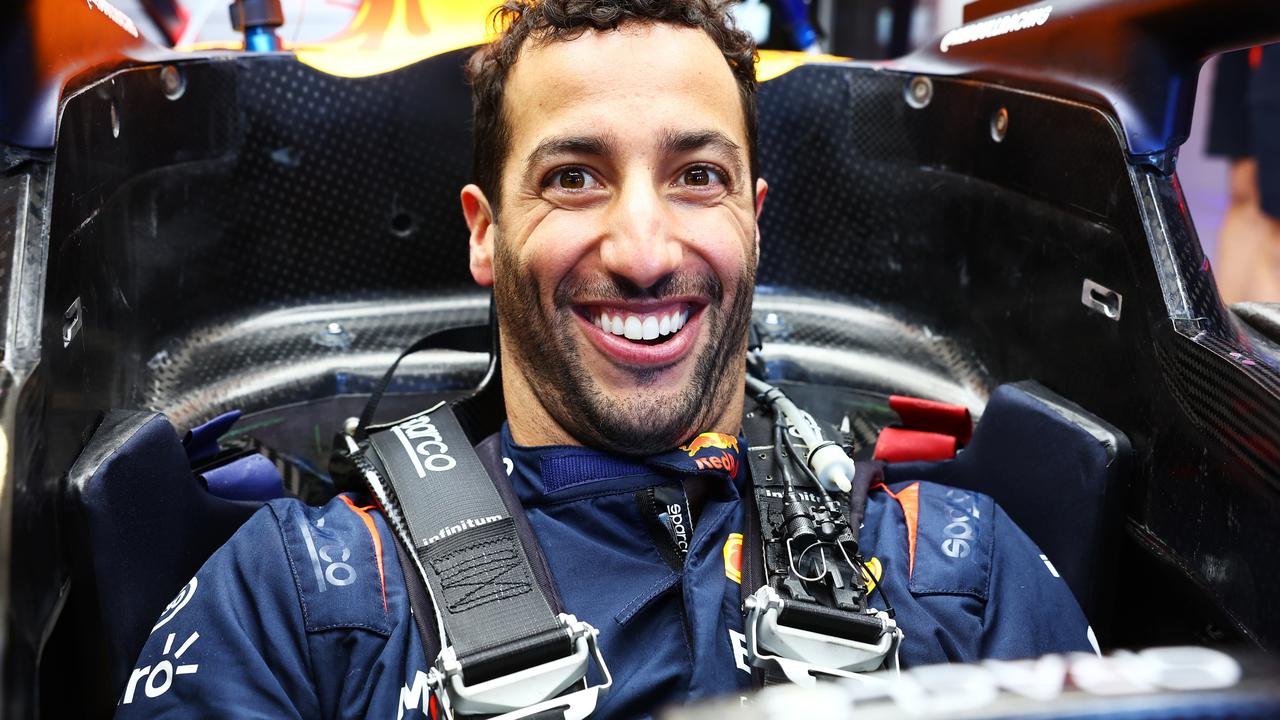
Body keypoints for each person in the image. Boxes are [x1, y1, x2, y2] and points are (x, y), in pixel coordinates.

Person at [115, 1, 1094, 717]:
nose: (642, 252)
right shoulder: (302, 599)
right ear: (484, 235)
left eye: (696, 177)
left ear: (753, 221)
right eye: (574, 178)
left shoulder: (962, 574)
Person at [1210, 45, 1280, 304]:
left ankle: (1264, 344)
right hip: (1246, 29)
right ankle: (1226, 340)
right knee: (1244, 191)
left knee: (1277, 236)